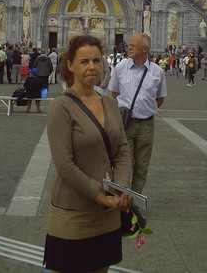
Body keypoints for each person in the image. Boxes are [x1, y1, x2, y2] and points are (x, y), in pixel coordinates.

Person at [44, 35, 132, 273]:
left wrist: (121, 190)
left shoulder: (111, 104)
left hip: (107, 213)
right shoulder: (60, 106)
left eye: (96, 60)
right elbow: (64, 164)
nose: (92, 67)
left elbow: (123, 150)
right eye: (84, 61)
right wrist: (101, 196)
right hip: (74, 213)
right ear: (70, 65)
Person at [108, 33, 167, 193]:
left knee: (142, 165)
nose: (129, 47)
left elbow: (160, 99)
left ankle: (134, 201)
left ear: (145, 49)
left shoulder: (157, 72)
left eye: (133, 45)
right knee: (123, 164)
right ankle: (120, 197)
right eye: (130, 45)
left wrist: (145, 108)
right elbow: (114, 95)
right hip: (125, 123)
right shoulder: (120, 68)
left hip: (147, 124)